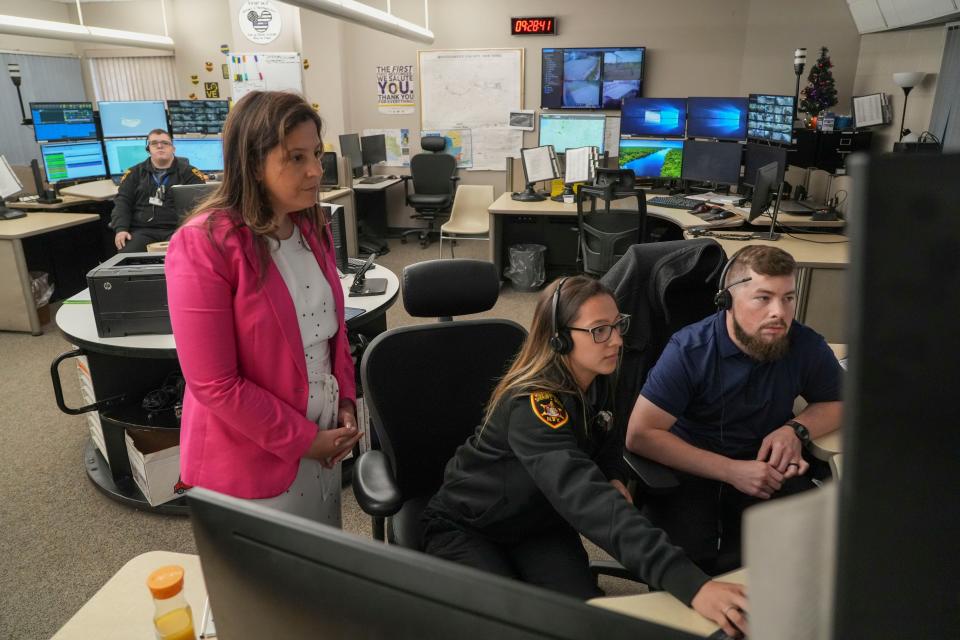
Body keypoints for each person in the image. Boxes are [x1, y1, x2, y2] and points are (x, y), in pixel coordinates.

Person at [422, 275, 749, 638]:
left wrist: (612, 475)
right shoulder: (534, 407)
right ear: (559, 338)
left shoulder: (600, 374)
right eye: (599, 331)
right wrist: (692, 584)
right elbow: (586, 497)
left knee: (583, 622)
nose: (617, 340)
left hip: (539, 522)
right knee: (506, 625)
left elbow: (607, 438)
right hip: (470, 526)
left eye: (617, 325)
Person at [164, 91, 362, 526]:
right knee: (264, 588)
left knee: (317, 569)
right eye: (295, 157)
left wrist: (346, 401)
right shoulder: (205, 243)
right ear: (253, 164)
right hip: (251, 456)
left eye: (316, 153)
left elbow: (333, 332)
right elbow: (215, 384)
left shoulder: (310, 223)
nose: (315, 170)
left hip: (323, 435)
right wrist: (307, 441)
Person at [626, 245, 843, 575]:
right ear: (726, 301)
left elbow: (840, 401)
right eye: (763, 297)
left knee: (794, 564)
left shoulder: (803, 343)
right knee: (683, 572)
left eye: (788, 298)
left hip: (765, 464)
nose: (779, 312)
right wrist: (731, 470)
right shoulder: (689, 350)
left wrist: (795, 429)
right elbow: (640, 435)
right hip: (691, 466)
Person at [111, 128, 207, 253]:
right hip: (142, 230)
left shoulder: (190, 174)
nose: (160, 146)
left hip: (178, 229)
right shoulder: (133, 173)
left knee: (185, 256)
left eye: (165, 143)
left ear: (173, 148)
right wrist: (121, 229)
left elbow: (202, 205)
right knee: (125, 256)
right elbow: (122, 203)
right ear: (148, 148)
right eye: (154, 143)